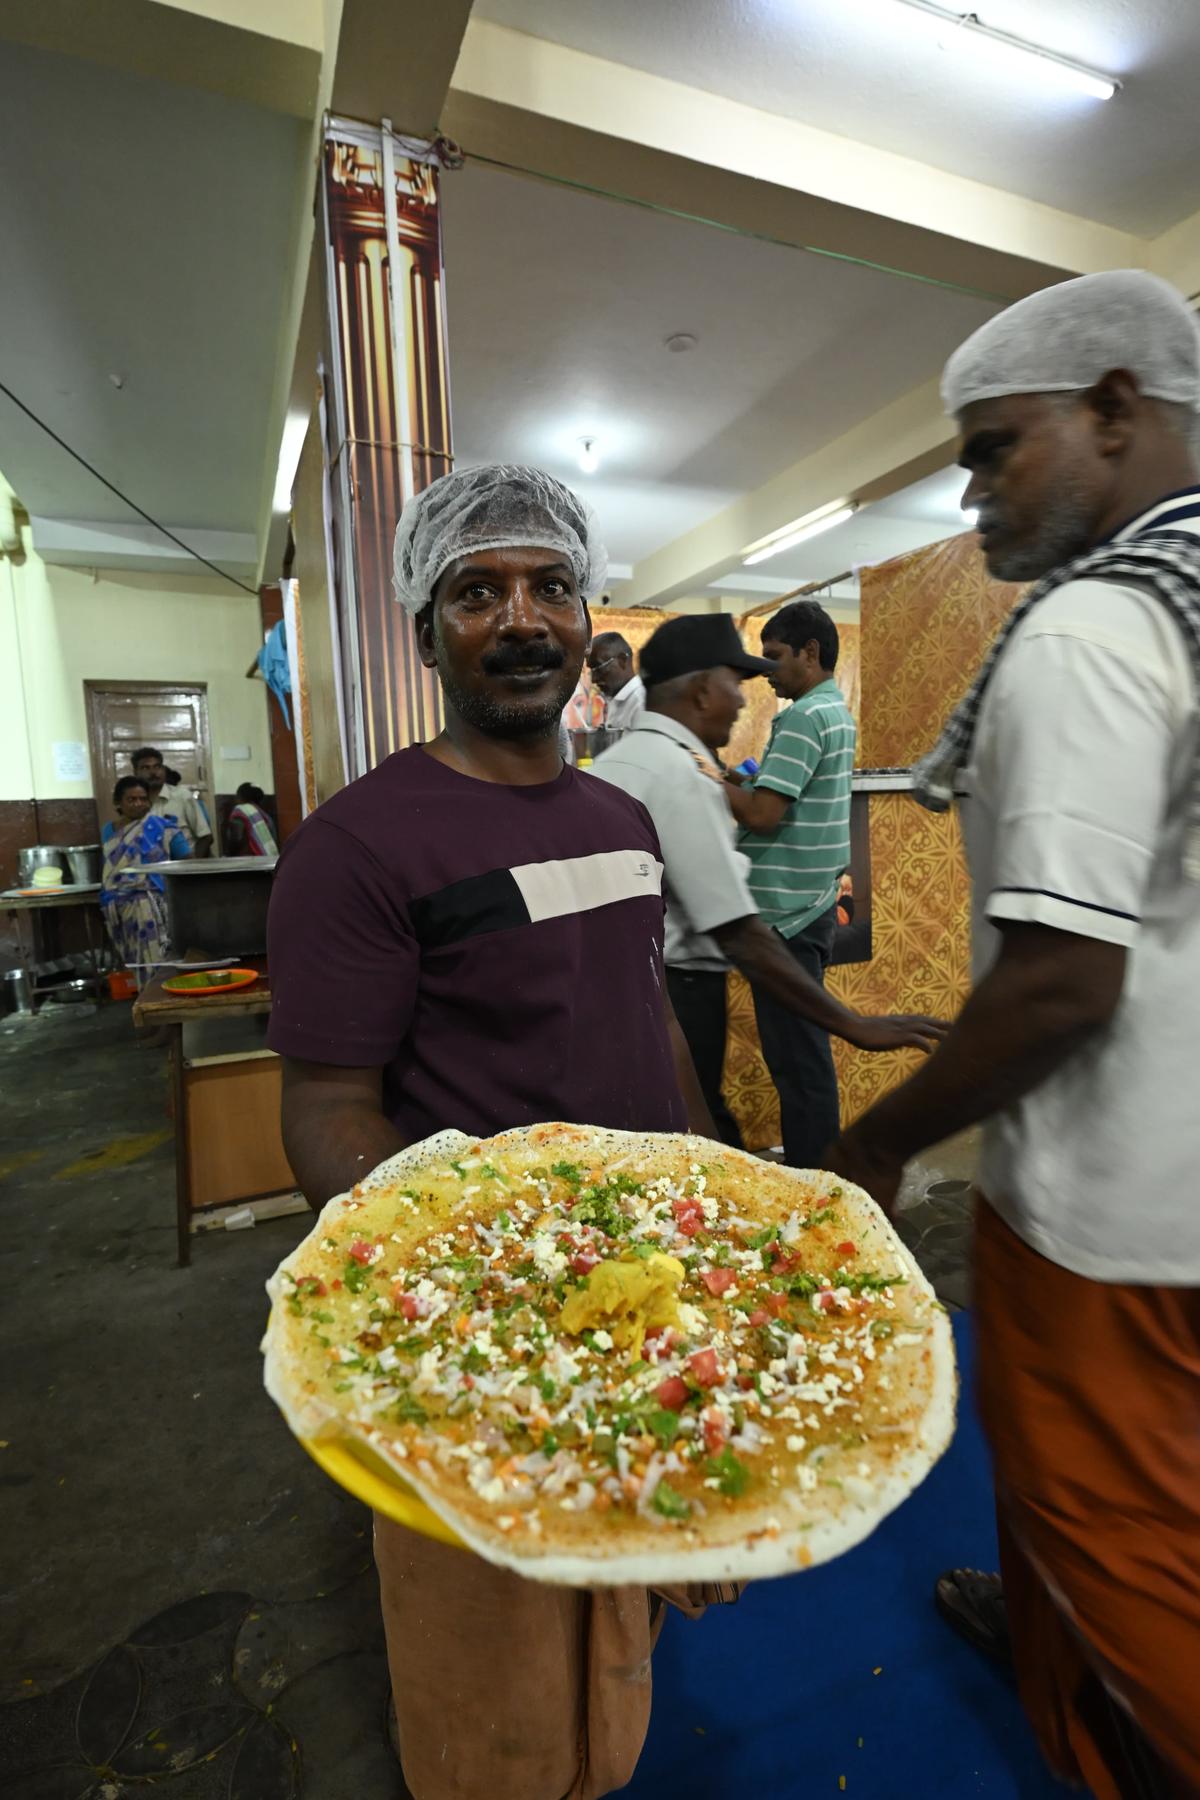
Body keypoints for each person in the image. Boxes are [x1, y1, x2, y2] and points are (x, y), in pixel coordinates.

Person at [267, 464, 731, 1800]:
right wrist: (478, 1303)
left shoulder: (622, 818)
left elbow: (641, 1026)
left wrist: (719, 1200)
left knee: (622, 1614)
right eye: (479, 591)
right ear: (427, 630)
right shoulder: (362, 847)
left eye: (551, 587)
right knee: (498, 1684)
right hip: (486, 1340)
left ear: (588, 614)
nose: (523, 619)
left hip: (647, 1301)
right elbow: (328, 1110)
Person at [825, 269, 1200, 1800]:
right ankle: (1068, 1694)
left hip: (1110, 1209)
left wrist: (878, 1136)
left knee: (1114, 1528)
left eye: (994, 445)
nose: (971, 489)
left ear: (1115, 409)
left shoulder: (1095, 631)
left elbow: (1059, 983)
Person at [592, 613, 946, 1146]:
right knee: (699, 1140)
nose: (742, 701)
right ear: (703, 690)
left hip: (627, 992)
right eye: (735, 684)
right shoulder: (681, 776)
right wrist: (854, 1023)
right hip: (677, 991)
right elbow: (740, 933)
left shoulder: (619, 763)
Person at [724, 601, 857, 1167]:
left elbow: (763, 817)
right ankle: (820, 1170)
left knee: (798, 1061)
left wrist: (702, 777)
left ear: (811, 652)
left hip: (788, 915)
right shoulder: (833, 710)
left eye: (775, 657)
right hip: (811, 904)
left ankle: (818, 1179)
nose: (767, 670)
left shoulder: (803, 717)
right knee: (803, 1055)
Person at [99, 776, 191, 981]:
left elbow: (187, 860)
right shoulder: (108, 831)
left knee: (157, 957)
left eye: (143, 799)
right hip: (119, 906)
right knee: (133, 958)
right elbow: (110, 866)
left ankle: (157, 997)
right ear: (118, 803)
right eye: (131, 799)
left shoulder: (163, 828)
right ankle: (145, 996)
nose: (138, 804)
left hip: (152, 904)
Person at [130, 747, 213, 857]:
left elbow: (205, 837)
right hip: (150, 867)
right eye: (146, 768)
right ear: (136, 772)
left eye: (157, 767)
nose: (153, 772)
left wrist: (193, 867)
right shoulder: (134, 802)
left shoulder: (182, 796)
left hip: (184, 865)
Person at [587, 629, 645, 734]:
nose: (593, 679)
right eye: (591, 671)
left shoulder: (641, 702)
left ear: (622, 660)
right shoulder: (615, 699)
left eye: (599, 668)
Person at [225, 782, 279, 857]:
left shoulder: (242, 812)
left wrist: (228, 856)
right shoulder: (266, 817)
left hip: (247, 861)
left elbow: (237, 838)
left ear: (240, 797)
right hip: (266, 860)